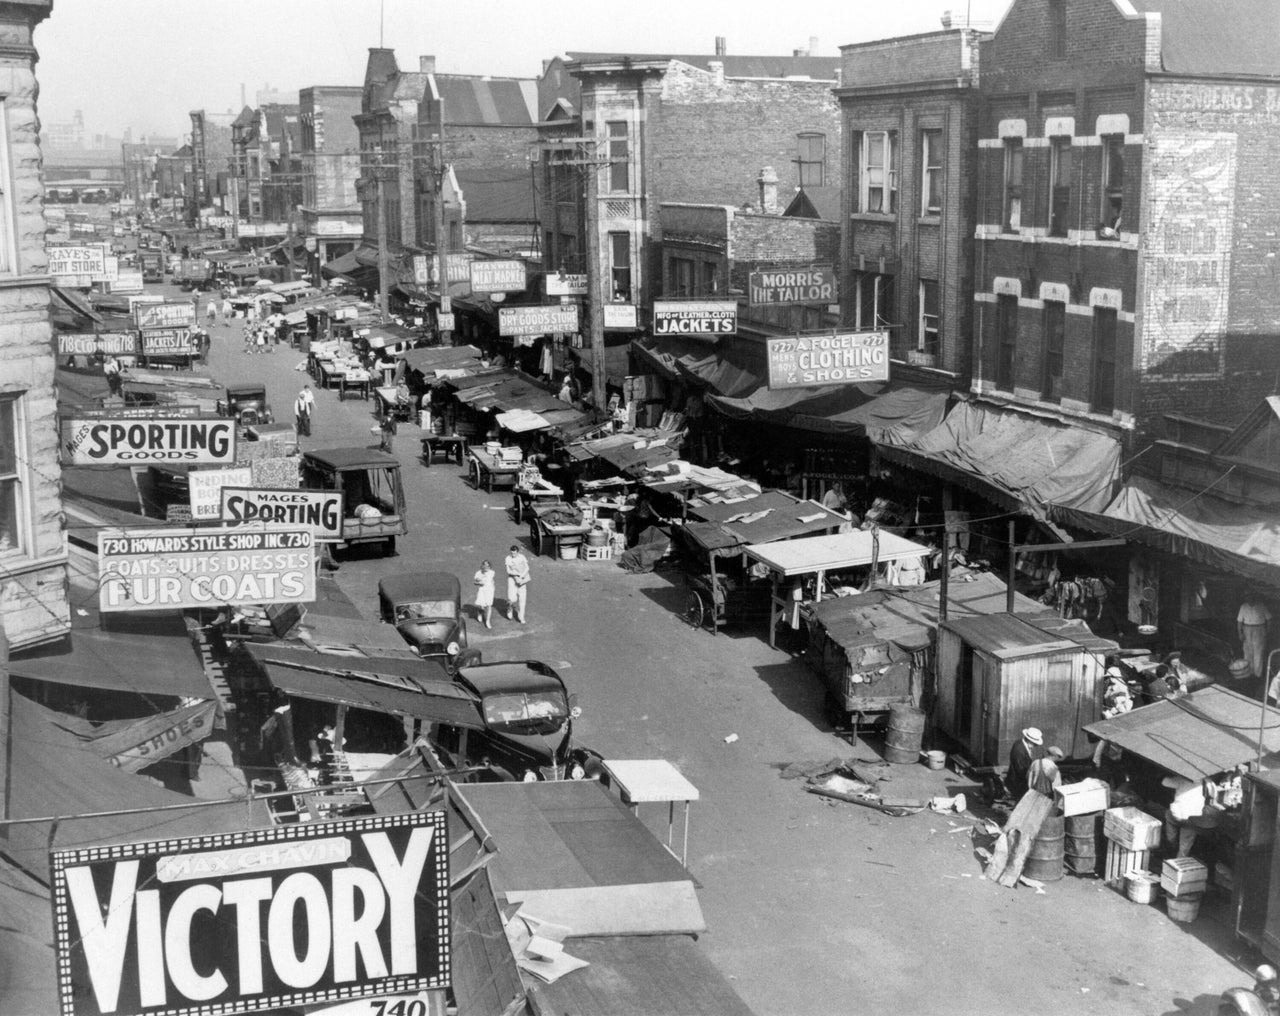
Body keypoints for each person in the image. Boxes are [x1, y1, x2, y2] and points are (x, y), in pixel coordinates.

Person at [1238, 595, 1272, 680]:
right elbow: (1239, 621)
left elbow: (1269, 619)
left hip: (1259, 629)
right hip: (1247, 629)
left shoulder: (1261, 605)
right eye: (1247, 596)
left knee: (1258, 652)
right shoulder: (1243, 606)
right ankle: (1249, 673)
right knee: (1247, 652)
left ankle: (1257, 675)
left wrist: (1267, 631)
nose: (1249, 598)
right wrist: (1240, 633)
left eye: (1251, 596)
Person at [1006, 727, 1044, 799]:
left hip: (1018, 778)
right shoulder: (1019, 750)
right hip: (1017, 782)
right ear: (1030, 741)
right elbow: (1021, 770)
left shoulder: (1021, 743)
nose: (1035, 746)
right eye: (1035, 744)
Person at [505, 543, 531, 623]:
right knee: (512, 598)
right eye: (511, 553)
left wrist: (522, 576)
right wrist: (516, 575)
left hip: (522, 579)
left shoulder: (522, 557)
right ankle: (509, 608)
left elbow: (527, 568)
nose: (513, 554)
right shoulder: (508, 558)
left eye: (514, 553)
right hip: (512, 579)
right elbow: (508, 571)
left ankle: (521, 617)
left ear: (518, 552)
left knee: (522, 600)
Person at [473, 560, 496, 629]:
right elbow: (475, 582)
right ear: (482, 565)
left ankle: (487, 621)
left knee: (489, 605)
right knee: (481, 605)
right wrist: (479, 582)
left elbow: (490, 580)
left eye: (488, 566)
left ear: (490, 566)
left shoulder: (492, 572)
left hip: (489, 591)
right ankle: (480, 612)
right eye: (485, 565)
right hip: (482, 590)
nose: (486, 567)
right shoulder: (478, 573)